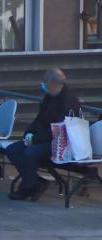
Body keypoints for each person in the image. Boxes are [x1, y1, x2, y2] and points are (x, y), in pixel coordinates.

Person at [5, 68, 81, 201]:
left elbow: (59, 129)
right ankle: (37, 182)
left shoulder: (68, 101)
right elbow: (39, 118)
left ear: (52, 83)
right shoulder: (50, 97)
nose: (43, 86)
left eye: (45, 83)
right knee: (12, 150)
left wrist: (35, 139)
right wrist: (28, 133)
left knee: (30, 153)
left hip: (59, 143)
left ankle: (27, 187)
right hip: (42, 138)